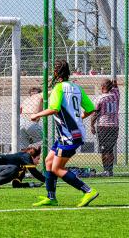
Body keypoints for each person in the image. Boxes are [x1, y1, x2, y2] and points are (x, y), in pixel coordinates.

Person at [31, 60, 98, 207]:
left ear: (55, 73)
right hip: (72, 133)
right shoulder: (77, 88)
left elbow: (54, 108)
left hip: (69, 136)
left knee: (57, 168)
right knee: (49, 161)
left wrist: (37, 115)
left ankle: (88, 191)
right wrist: (78, 118)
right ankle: (51, 197)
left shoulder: (58, 88)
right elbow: (91, 109)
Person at [91, 78, 120, 176]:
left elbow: (94, 114)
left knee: (104, 150)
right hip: (115, 126)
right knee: (110, 149)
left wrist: (91, 125)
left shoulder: (100, 98)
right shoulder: (116, 96)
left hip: (103, 126)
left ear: (102, 87)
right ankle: (110, 170)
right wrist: (114, 84)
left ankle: (106, 170)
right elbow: (116, 87)